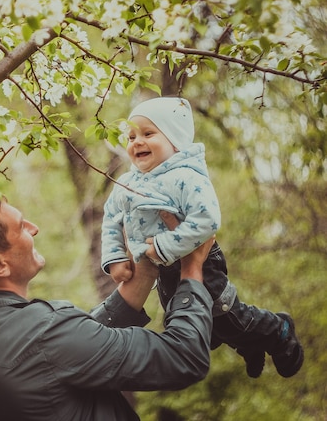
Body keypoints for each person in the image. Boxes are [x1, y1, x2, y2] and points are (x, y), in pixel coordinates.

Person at [0, 195, 214, 421]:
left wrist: (140, 279)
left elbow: (57, 359)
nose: (34, 229)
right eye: (21, 226)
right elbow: (185, 356)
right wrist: (192, 268)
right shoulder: (46, 333)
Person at [101, 96, 304, 379]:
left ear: (175, 140)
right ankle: (249, 345)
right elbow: (111, 217)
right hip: (162, 267)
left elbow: (207, 220)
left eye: (148, 134)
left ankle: (278, 329)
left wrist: (164, 245)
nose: (136, 141)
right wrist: (114, 257)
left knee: (226, 314)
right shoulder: (127, 183)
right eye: (131, 135)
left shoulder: (186, 176)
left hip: (200, 256)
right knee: (202, 329)